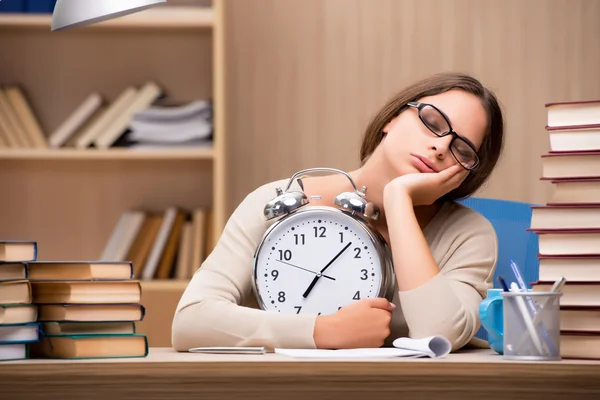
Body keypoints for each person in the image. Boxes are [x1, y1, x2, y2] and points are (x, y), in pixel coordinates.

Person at [172, 72, 505, 352]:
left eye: (462, 150)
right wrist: (321, 331)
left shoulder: (468, 234)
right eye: (432, 123)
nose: (440, 147)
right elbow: (190, 322)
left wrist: (398, 198)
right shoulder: (276, 200)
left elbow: (438, 336)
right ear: (392, 118)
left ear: (467, 173)